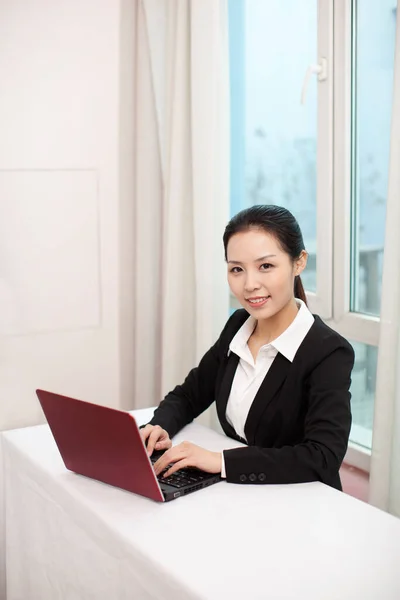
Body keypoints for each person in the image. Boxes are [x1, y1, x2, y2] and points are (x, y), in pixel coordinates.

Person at [140, 205, 354, 491]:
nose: (250, 285)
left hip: (299, 506)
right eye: (237, 269)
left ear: (299, 262)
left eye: (266, 266)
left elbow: (322, 456)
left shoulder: (328, 352)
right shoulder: (239, 325)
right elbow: (189, 395)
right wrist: (159, 426)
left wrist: (222, 461)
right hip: (240, 497)